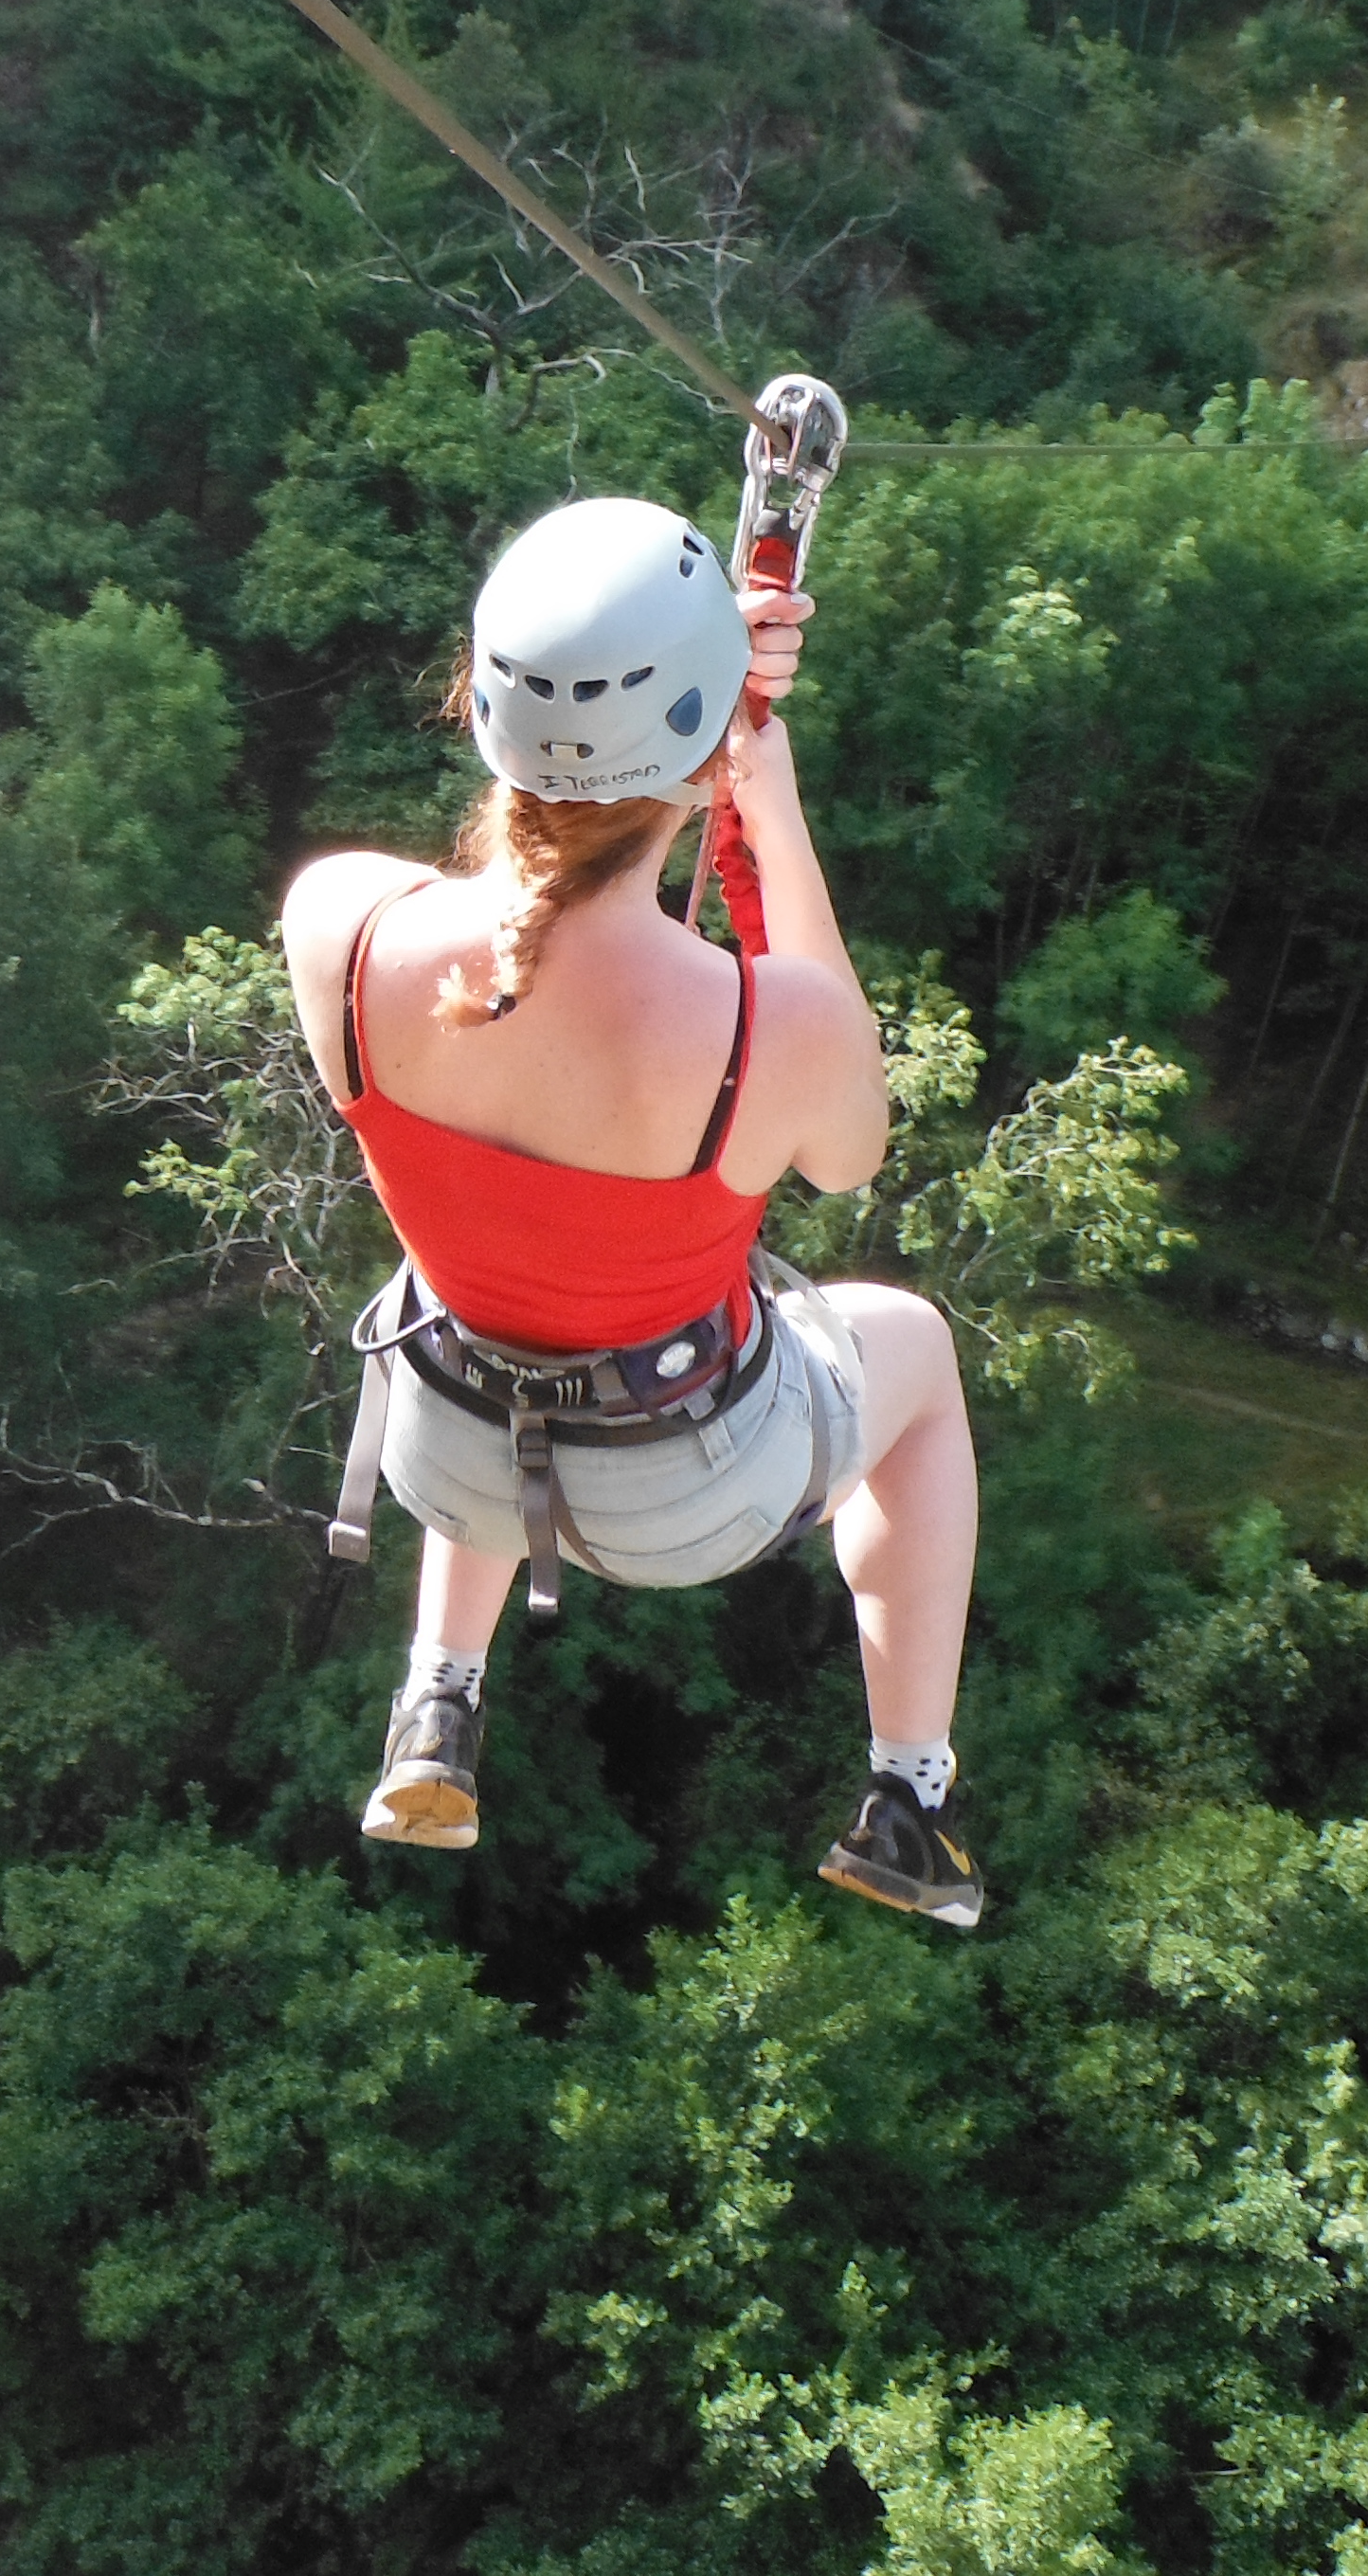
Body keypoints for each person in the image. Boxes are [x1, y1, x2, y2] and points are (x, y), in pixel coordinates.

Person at [278, 496, 987, 1926]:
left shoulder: (340, 926)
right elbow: (850, 1148)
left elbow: (513, 931)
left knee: (486, 1293)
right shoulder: (762, 1029)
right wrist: (761, 790)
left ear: (480, 703)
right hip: (683, 1494)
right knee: (912, 1347)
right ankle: (909, 1797)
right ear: (702, 746)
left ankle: (437, 1701)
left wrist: (694, 706)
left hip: (446, 1451)